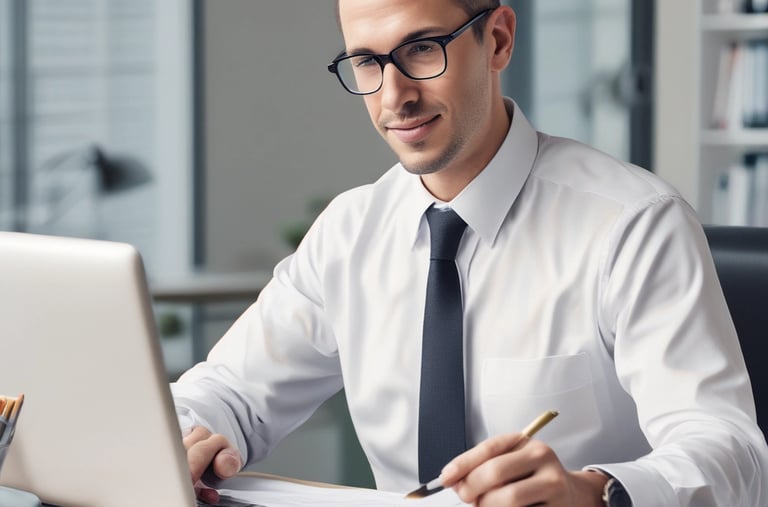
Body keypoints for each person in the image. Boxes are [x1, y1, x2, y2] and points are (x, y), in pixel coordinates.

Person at [172, 0, 768, 505]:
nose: (395, 97)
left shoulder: (633, 224)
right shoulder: (349, 233)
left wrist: (592, 491)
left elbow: (730, 451)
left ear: (499, 40)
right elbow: (228, 393)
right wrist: (182, 439)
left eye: (422, 49)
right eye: (367, 61)